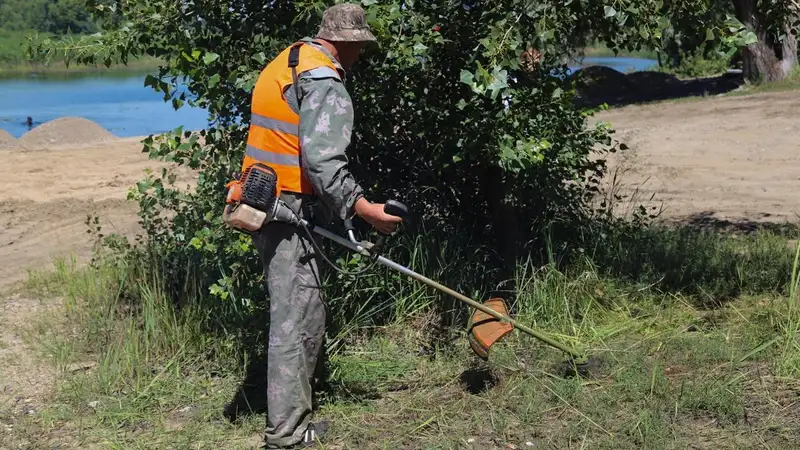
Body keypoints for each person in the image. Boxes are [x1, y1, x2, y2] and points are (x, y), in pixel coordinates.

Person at [235, 3, 402, 448]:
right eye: (360, 48)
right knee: (294, 320)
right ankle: (285, 437)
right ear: (346, 43)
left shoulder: (289, 59)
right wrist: (364, 209)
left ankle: (293, 423)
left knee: (301, 312)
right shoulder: (324, 80)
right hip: (289, 212)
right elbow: (323, 161)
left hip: (266, 201)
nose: (360, 57)